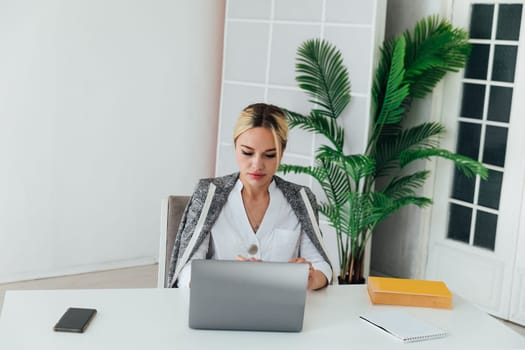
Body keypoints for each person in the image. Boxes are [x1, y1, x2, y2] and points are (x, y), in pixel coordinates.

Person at [167, 103, 332, 290]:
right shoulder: (208, 195)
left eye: (269, 155)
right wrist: (228, 276)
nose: (257, 165)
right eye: (247, 153)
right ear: (236, 146)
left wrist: (312, 278)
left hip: (281, 309)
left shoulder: (300, 199)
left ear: (282, 153)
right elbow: (187, 270)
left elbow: (320, 264)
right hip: (219, 308)